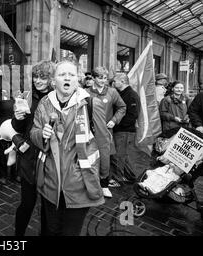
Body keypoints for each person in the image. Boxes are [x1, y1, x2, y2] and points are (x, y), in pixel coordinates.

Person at [30, 60, 104, 236]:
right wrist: (41, 134)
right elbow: (33, 132)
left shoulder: (91, 104)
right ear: (53, 80)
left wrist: (104, 179)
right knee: (50, 230)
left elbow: (103, 143)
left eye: (71, 74)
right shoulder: (44, 103)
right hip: (50, 184)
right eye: (62, 74)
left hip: (80, 184)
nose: (67, 78)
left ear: (77, 79)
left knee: (70, 232)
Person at [11, 60, 54, 236]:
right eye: (35, 76)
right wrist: (17, 117)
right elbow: (17, 127)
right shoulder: (26, 96)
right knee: (27, 203)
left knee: (47, 207)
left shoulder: (57, 98)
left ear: (50, 78)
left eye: (42, 77)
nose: (37, 80)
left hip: (48, 157)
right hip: (29, 156)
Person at [88, 67, 126, 198]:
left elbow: (122, 107)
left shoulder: (112, 92)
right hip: (89, 131)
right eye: (100, 77)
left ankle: (104, 185)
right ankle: (90, 184)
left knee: (105, 158)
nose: (103, 80)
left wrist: (114, 120)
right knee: (89, 157)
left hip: (105, 131)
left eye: (105, 78)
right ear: (93, 78)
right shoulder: (85, 92)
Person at [112, 73, 149, 181]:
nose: (113, 83)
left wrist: (117, 125)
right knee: (124, 155)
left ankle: (118, 179)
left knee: (119, 155)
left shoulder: (131, 95)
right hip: (122, 130)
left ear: (122, 82)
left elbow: (133, 115)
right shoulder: (123, 93)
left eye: (115, 81)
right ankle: (131, 176)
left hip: (125, 131)